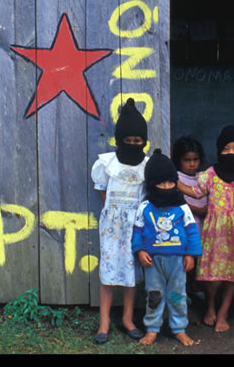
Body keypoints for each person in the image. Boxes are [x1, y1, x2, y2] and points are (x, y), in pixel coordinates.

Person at [178, 125, 234, 332]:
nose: (231, 153)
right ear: (219, 151)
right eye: (227, 149)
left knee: (232, 274)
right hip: (215, 231)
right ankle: (210, 305)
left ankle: (223, 313)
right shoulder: (210, 174)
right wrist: (172, 183)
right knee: (213, 274)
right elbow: (196, 192)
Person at [91, 98, 150, 344]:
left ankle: (127, 317)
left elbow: (147, 196)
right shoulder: (107, 164)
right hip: (112, 225)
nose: (133, 145)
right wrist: (113, 210)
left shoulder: (147, 166)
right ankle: (104, 320)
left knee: (130, 273)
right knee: (108, 272)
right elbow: (102, 191)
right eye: (128, 141)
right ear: (120, 139)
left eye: (138, 141)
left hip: (136, 226)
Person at [133, 149, 202, 347]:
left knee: (177, 295)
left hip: (177, 262)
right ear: (151, 184)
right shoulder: (145, 207)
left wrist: (191, 254)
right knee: (154, 295)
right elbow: (137, 231)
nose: (166, 187)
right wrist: (140, 250)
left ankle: (179, 328)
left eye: (171, 182)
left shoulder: (182, 207)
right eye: (161, 183)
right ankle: (152, 328)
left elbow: (192, 231)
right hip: (153, 262)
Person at [172, 136, 207, 300]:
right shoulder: (176, 178)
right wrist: (196, 210)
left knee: (198, 259)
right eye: (187, 160)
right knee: (184, 260)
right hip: (185, 227)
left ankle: (194, 287)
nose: (192, 164)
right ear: (179, 160)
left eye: (195, 159)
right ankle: (183, 290)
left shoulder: (204, 177)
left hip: (203, 226)